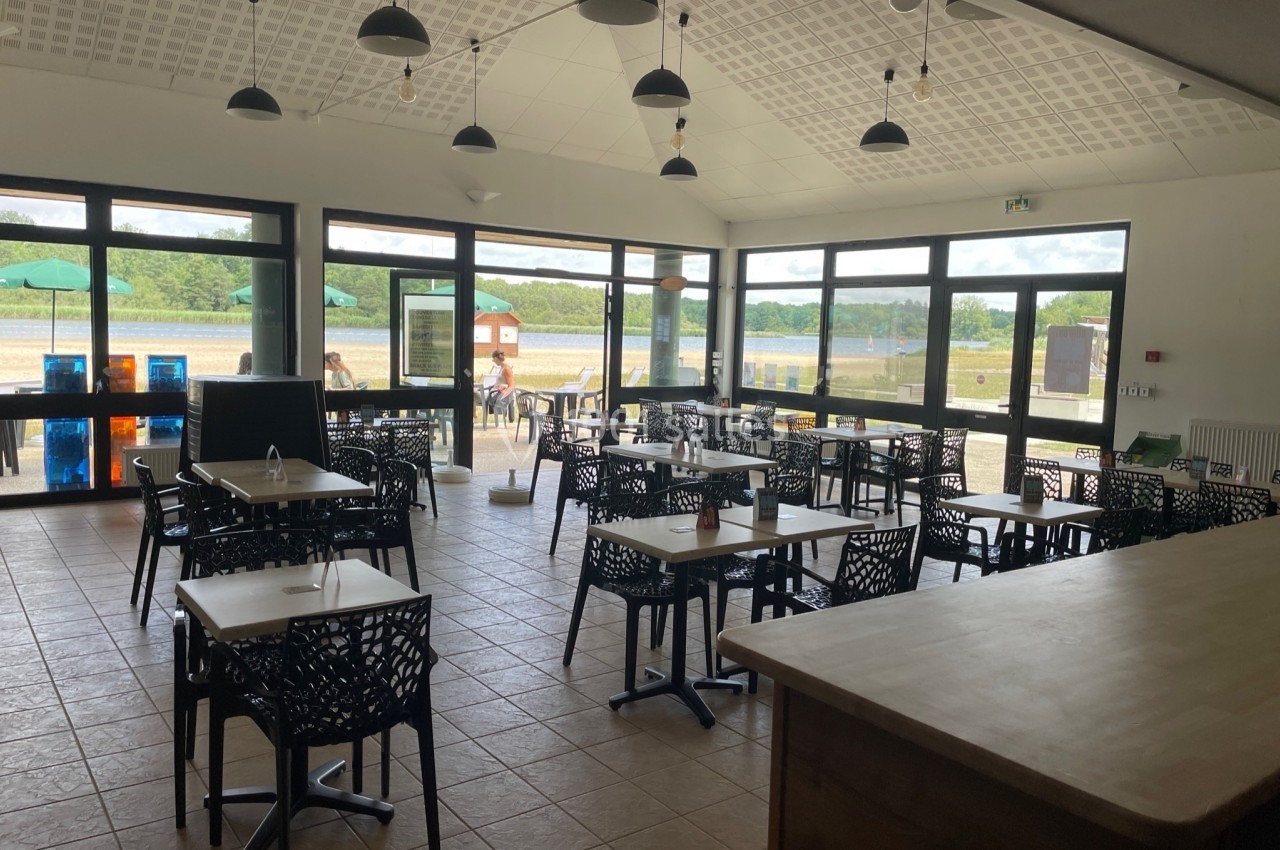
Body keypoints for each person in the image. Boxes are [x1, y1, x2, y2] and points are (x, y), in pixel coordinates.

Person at [487, 349, 515, 419]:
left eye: (493, 360)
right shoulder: (502, 368)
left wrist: (503, 396)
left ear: (496, 358)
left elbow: (511, 385)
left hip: (499, 393)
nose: (493, 361)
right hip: (494, 391)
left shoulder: (506, 369)